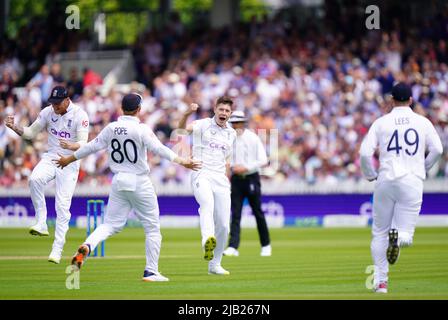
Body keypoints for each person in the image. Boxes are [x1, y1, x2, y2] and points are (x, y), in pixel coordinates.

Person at [54, 93, 201, 282]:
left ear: (122, 108)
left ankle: (88, 245)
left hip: (118, 180)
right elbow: (160, 149)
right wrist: (182, 161)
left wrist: (68, 159)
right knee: (152, 228)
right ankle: (151, 271)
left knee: (110, 224)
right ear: (139, 109)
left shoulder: (111, 128)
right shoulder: (141, 129)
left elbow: (91, 147)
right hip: (139, 181)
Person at [360, 82, 443, 293]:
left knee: (379, 232)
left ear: (391, 100)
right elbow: (438, 149)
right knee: (406, 234)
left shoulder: (381, 122)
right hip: (412, 181)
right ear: (412, 100)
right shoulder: (422, 122)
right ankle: (397, 236)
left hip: (386, 180)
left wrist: (371, 174)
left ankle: (381, 283)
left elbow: (364, 153)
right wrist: (423, 166)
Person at [4, 86, 89, 264]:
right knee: (34, 179)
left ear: (67, 100)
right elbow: (30, 133)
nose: (55, 106)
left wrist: (70, 147)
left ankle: (57, 250)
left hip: (70, 161)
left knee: (62, 207)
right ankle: (41, 222)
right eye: (53, 103)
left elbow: (83, 143)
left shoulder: (80, 115)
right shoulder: (47, 112)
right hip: (51, 157)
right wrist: (15, 128)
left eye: (58, 103)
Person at [178, 96, 236, 275]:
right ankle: (207, 240)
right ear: (215, 109)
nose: (223, 113)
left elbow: (226, 160)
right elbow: (180, 130)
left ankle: (214, 265)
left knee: (225, 225)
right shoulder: (202, 124)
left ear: (230, 114)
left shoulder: (231, 133)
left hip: (220, 179)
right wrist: (187, 113)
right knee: (207, 205)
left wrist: (227, 179)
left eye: (227, 111)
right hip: (201, 173)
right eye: (221, 110)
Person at [223, 111, 271, 257]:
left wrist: (246, 167)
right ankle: (233, 247)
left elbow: (263, 160)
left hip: (251, 178)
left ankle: (265, 245)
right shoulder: (228, 138)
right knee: (235, 214)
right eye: (233, 123)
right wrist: (230, 169)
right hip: (236, 180)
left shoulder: (253, 138)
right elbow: (226, 159)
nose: (235, 125)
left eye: (237, 123)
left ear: (243, 123)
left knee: (258, 212)